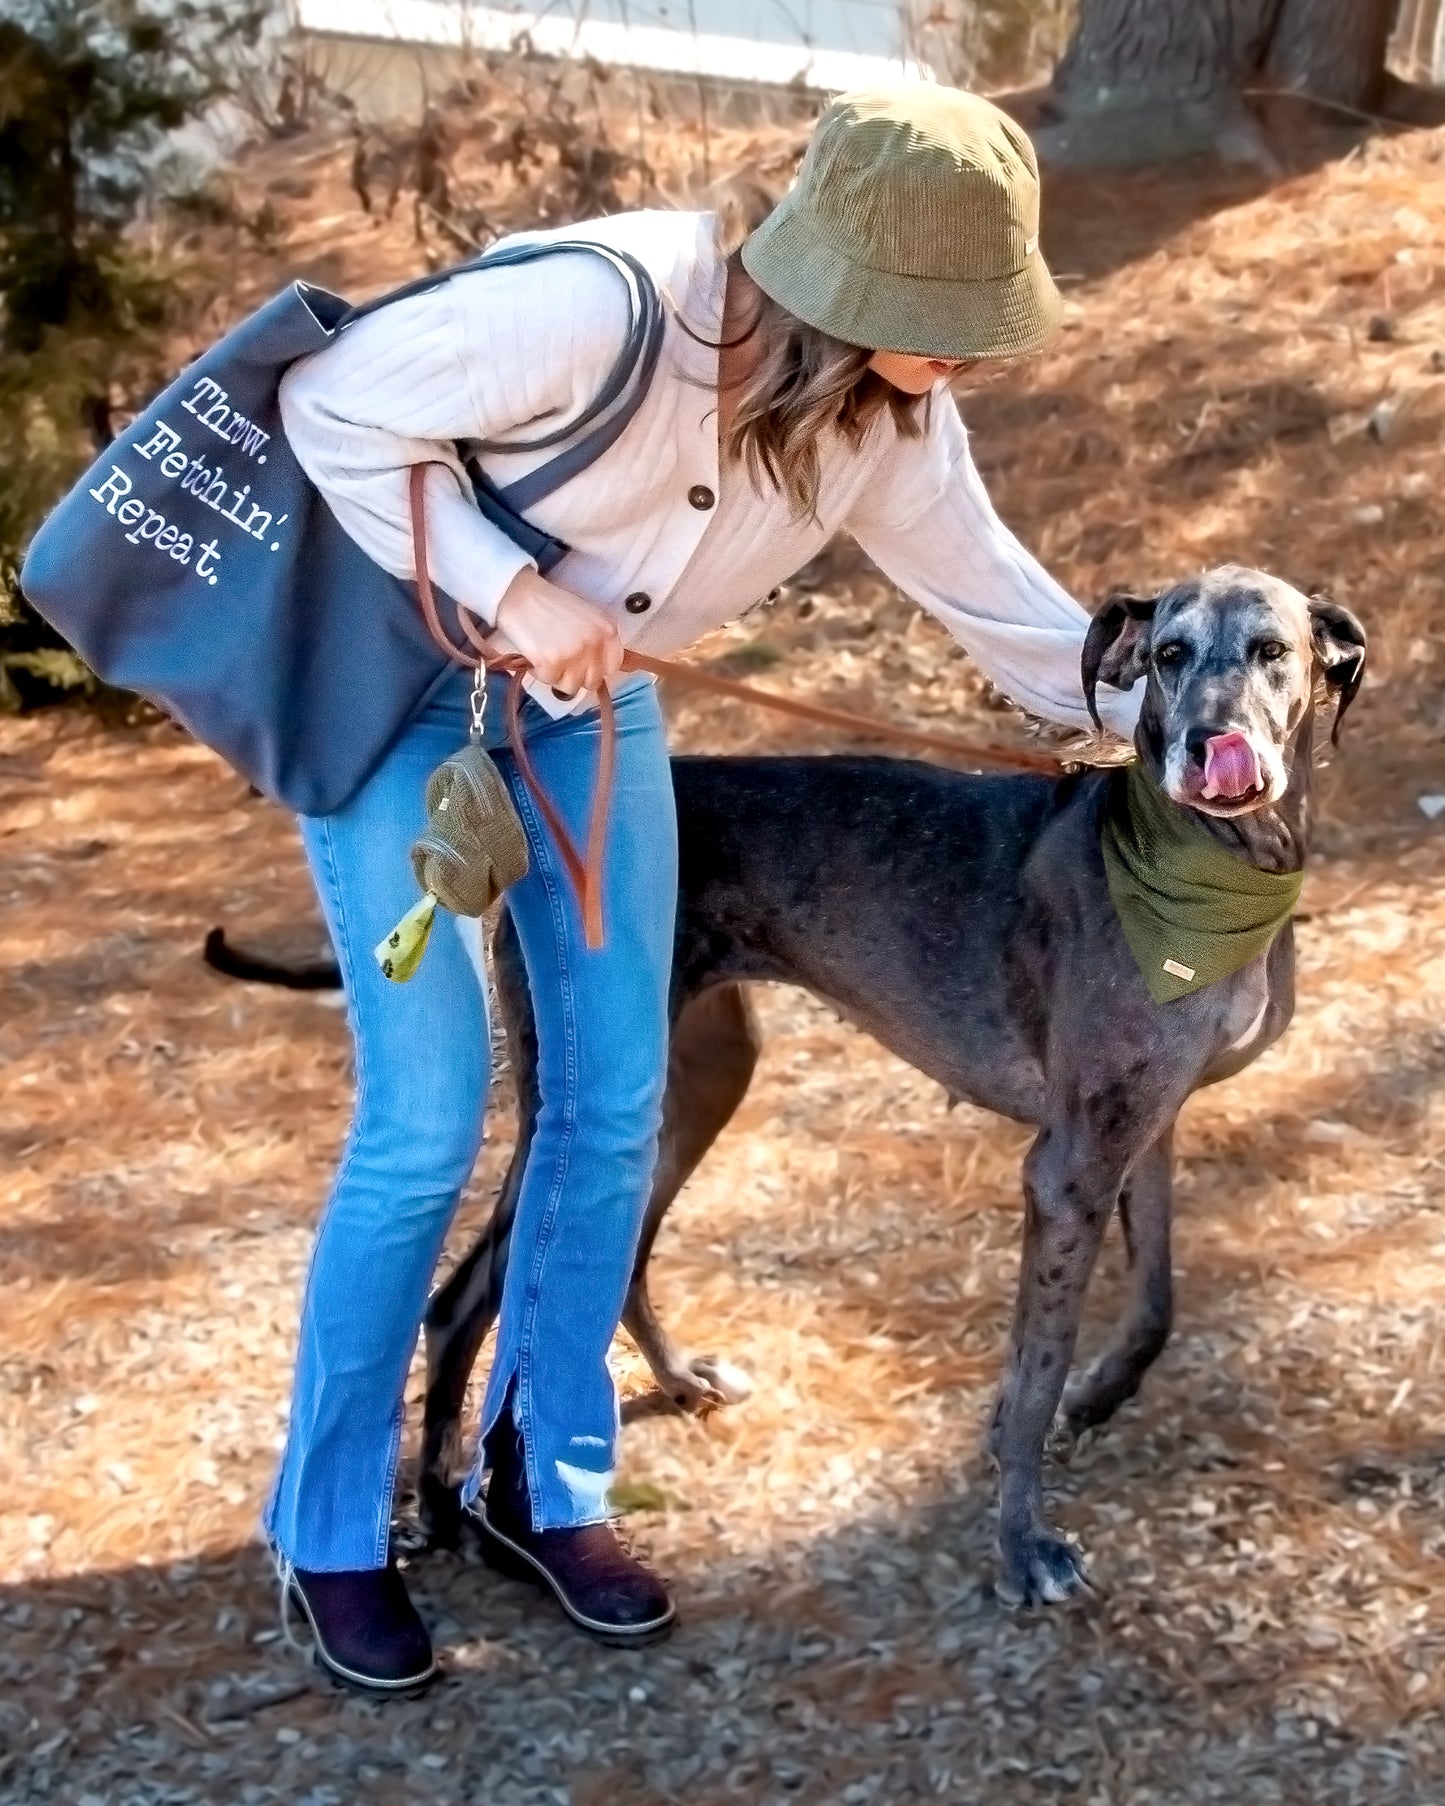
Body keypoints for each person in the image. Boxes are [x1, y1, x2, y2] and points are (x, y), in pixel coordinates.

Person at [265, 81, 1139, 1692]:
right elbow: (328, 404)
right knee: (426, 1116)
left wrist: (1183, 723)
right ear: (844, 289)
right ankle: (326, 1530)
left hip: (595, 709)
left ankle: (540, 1479)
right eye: (946, 315)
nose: (972, 349)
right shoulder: (594, 309)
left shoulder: (888, 419)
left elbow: (1003, 604)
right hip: (404, 694)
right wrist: (513, 588)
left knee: (614, 1098)